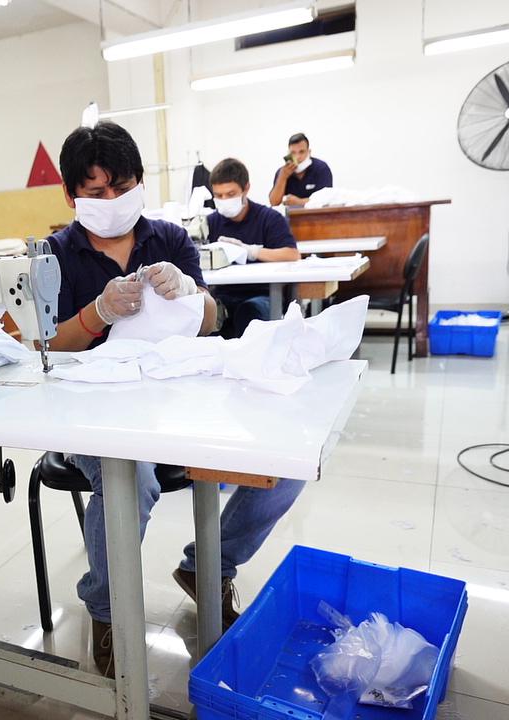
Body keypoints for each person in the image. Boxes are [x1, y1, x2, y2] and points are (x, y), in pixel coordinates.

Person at [46, 122, 307, 678]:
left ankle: (211, 566)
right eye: (96, 192)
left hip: (177, 395)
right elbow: (44, 349)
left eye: (123, 187)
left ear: (140, 182)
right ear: (71, 196)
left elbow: (211, 321)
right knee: (131, 479)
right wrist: (97, 313)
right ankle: (106, 608)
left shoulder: (169, 239)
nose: (112, 201)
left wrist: (191, 292)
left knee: (287, 461)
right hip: (90, 411)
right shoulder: (55, 255)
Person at [207, 158, 300, 338]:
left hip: (263, 294)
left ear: (246, 188)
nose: (224, 200)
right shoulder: (211, 223)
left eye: (230, 194)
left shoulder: (269, 218)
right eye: (218, 195)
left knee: (248, 312)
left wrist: (250, 251)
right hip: (224, 294)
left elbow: (292, 254)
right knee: (205, 315)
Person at [268, 132, 333, 207]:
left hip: (316, 213)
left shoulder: (321, 168)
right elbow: (274, 203)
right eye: (293, 153)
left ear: (309, 152)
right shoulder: (282, 172)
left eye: (301, 152)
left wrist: (299, 202)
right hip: (289, 214)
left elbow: (326, 200)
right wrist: (283, 177)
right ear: (288, 154)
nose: (297, 157)